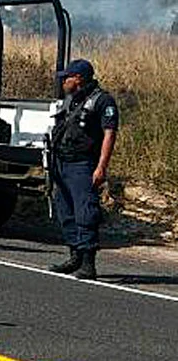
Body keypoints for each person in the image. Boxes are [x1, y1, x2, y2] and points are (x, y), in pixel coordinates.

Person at [47, 59, 118, 280]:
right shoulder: (72, 100)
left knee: (85, 212)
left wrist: (101, 167)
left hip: (83, 164)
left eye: (67, 78)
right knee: (65, 211)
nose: (64, 82)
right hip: (62, 163)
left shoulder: (102, 100)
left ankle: (88, 263)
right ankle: (74, 256)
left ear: (78, 78)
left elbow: (109, 133)